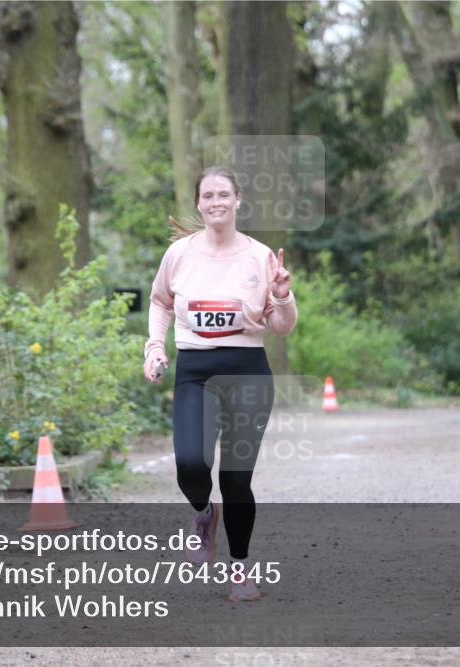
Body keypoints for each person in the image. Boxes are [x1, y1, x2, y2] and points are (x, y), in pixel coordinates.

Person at [143, 165, 298, 602]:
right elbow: (160, 302)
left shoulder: (260, 257)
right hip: (195, 371)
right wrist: (155, 346)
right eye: (208, 195)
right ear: (198, 202)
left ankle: (241, 572)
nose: (216, 202)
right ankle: (202, 513)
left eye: (223, 195)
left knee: (236, 479)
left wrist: (283, 295)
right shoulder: (179, 254)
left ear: (237, 200)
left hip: (247, 370)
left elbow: (282, 328)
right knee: (191, 465)